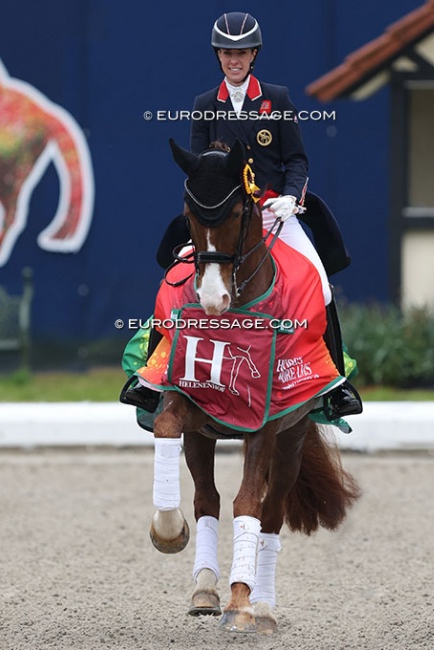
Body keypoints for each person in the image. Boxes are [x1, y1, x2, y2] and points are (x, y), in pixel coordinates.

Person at [121, 11, 362, 419]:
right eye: (228, 53)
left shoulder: (277, 100)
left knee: (319, 284)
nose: (235, 60)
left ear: (254, 55)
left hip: (272, 215)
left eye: (243, 53)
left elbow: (297, 160)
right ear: (218, 56)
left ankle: (335, 383)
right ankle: (151, 376)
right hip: (224, 217)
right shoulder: (204, 105)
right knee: (174, 281)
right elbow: (199, 168)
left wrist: (289, 197)